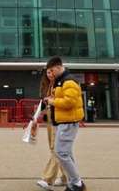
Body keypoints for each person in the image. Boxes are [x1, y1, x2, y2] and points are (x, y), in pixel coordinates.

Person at [44, 56, 86, 191]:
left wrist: (52, 101)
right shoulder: (61, 81)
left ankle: (76, 182)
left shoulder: (68, 81)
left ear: (58, 67)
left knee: (61, 152)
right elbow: (65, 99)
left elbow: (69, 102)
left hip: (68, 121)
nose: (50, 74)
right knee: (66, 153)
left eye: (51, 70)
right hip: (64, 121)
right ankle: (74, 182)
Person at [34, 70, 66, 190]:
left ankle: (47, 179)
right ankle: (66, 177)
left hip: (58, 119)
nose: (50, 74)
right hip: (50, 119)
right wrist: (36, 116)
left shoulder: (61, 84)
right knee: (55, 148)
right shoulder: (47, 86)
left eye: (52, 71)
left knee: (56, 148)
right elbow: (43, 103)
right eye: (47, 72)